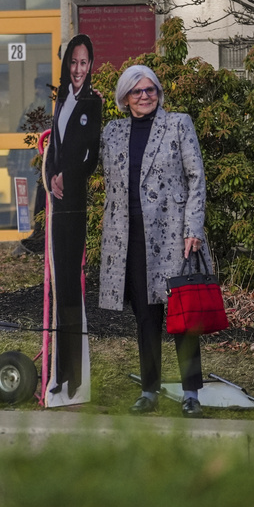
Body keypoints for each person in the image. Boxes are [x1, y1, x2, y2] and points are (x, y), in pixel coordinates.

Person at [98, 65, 210, 418]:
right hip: (129, 237)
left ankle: (191, 392)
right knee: (145, 318)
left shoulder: (178, 124)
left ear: (159, 93)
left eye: (151, 90)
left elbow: (196, 177)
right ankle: (149, 390)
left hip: (174, 236)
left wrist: (193, 228)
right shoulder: (112, 132)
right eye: (137, 91)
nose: (145, 96)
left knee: (182, 318)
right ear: (124, 97)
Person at [43, 34, 102, 400]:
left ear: (90, 65)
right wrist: (51, 176)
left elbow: (90, 156)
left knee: (70, 289)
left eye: (84, 63)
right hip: (57, 202)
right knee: (61, 286)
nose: (78, 69)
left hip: (74, 204)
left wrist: (68, 178)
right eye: (73, 63)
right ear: (66, 65)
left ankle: (75, 377)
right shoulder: (62, 99)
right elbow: (55, 149)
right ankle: (61, 373)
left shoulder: (92, 103)